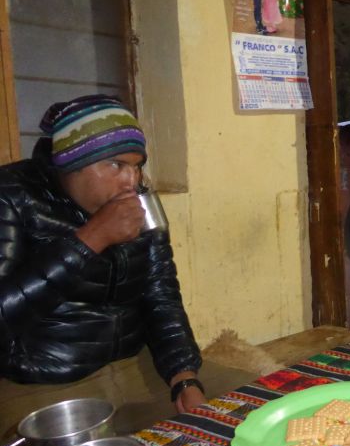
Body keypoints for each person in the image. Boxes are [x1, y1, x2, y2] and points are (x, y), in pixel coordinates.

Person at [0, 94, 205, 415]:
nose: (131, 181)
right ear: (71, 164)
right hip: (44, 378)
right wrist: (91, 239)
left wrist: (183, 375)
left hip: (134, 364)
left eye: (137, 166)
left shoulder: (140, 200)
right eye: (116, 165)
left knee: (231, 415)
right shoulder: (11, 195)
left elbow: (160, 293)